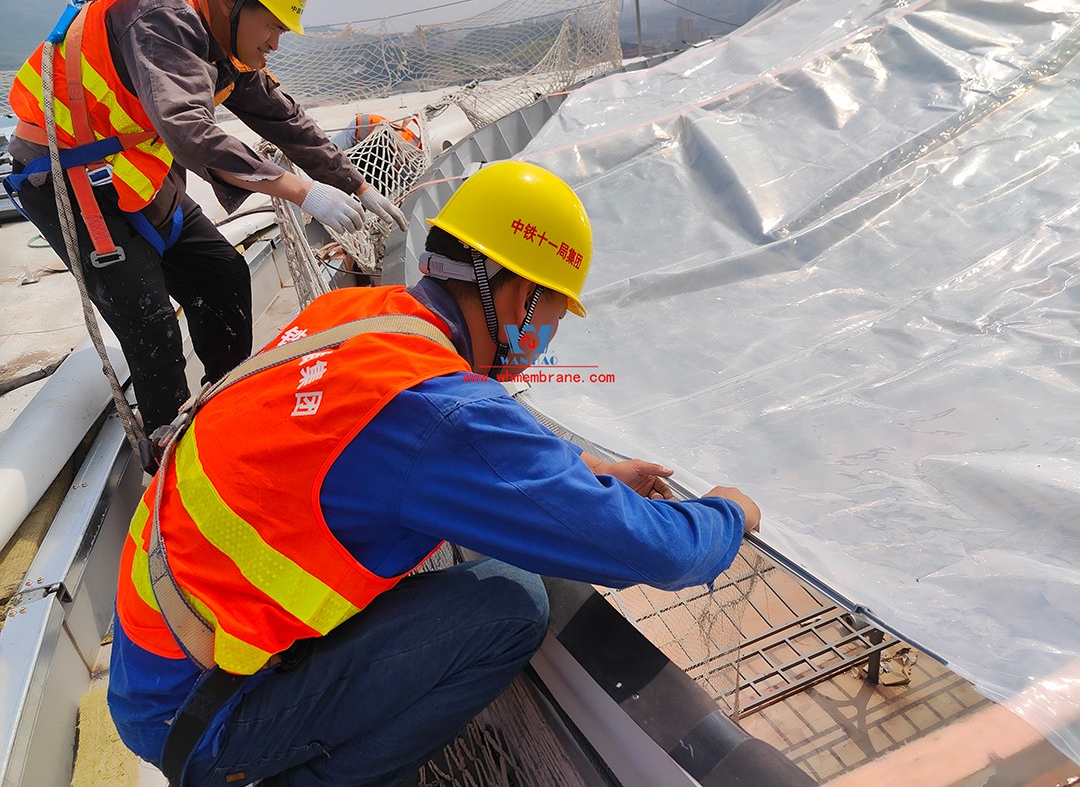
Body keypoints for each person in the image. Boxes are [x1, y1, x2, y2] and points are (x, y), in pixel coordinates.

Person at [108, 160, 762, 787]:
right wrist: (730, 512)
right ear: (518, 294)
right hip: (198, 714)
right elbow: (653, 551)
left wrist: (590, 469)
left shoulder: (356, 318)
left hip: (159, 658)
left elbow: (462, 422)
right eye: (551, 320)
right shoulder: (436, 417)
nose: (545, 345)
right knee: (509, 604)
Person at [2, 0, 407, 437]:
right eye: (272, 26)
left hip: (134, 173)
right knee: (151, 329)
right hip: (66, 181)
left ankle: (226, 410)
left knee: (223, 275)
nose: (275, 43)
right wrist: (303, 191)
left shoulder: (219, 42)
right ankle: (165, 464)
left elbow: (281, 116)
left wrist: (354, 183)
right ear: (230, 0)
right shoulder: (158, 18)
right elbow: (190, 131)